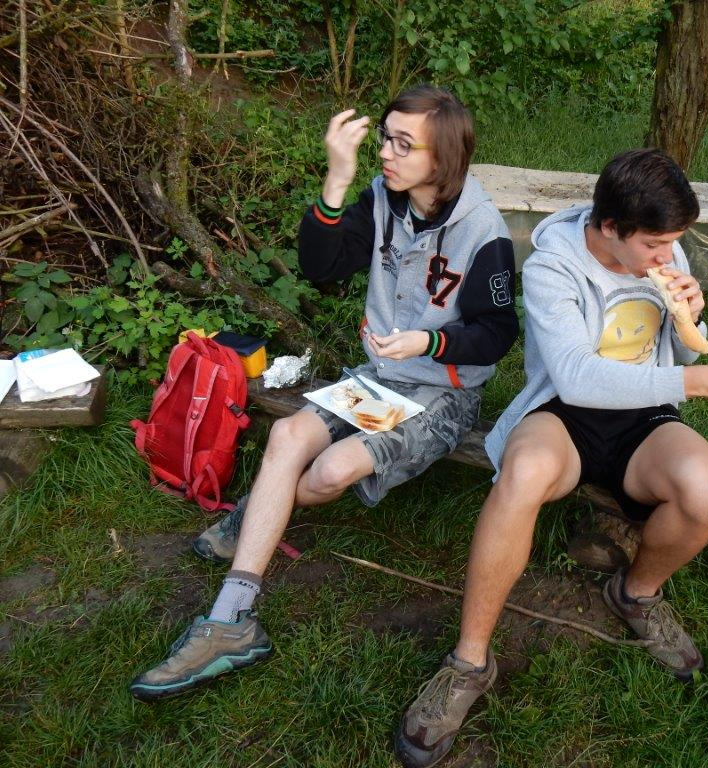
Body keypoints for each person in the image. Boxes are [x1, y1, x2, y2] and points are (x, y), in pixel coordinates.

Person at [130, 85, 518, 701]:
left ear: (442, 159)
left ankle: (255, 512)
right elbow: (322, 267)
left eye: (403, 144)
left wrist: (428, 341)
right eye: (385, 138)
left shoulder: (484, 232)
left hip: (442, 394)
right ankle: (233, 618)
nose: (385, 153)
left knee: (330, 470)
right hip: (379, 378)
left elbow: (497, 335)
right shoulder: (384, 198)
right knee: (288, 434)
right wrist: (337, 180)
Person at [394, 148, 708, 768]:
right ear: (611, 227)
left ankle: (636, 594)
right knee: (523, 476)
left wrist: (692, 318)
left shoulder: (663, 253)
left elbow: (680, 356)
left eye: (674, 243)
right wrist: (702, 383)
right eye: (655, 244)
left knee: (706, 487)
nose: (668, 255)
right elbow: (575, 378)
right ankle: (468, 662)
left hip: (642, 418)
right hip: (563, 414)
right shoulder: (552, 266)